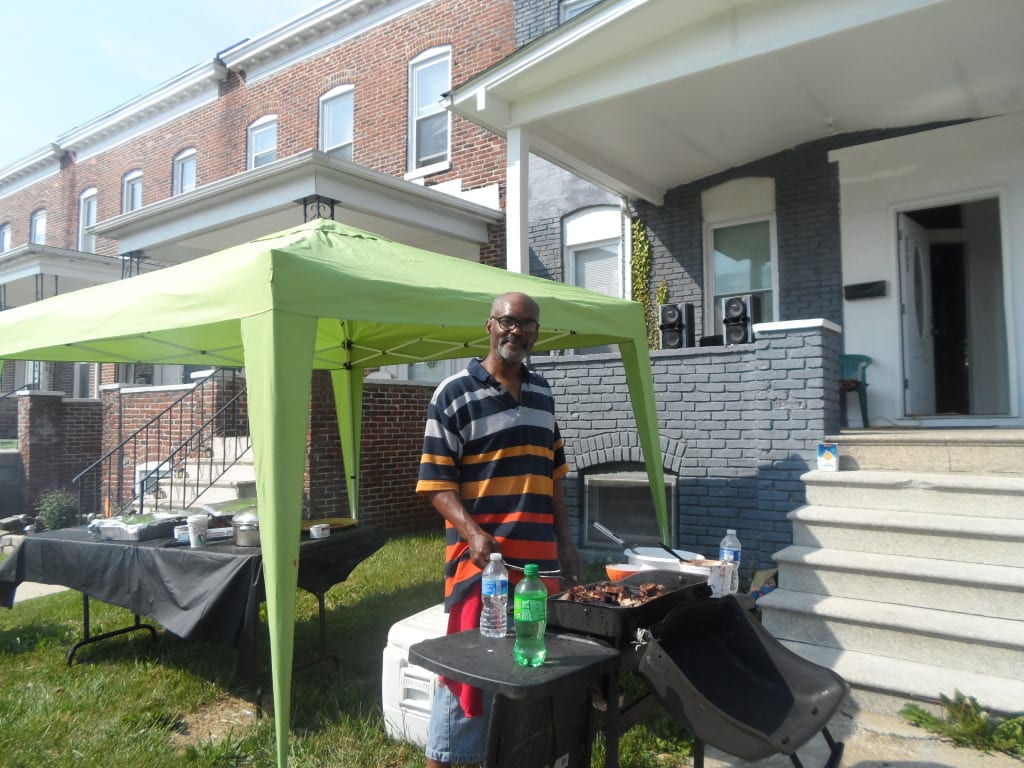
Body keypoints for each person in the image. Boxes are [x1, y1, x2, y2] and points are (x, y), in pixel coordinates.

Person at [416, 291, 583, 768]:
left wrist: (566, 544)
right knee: (465, 685)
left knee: (526, 678)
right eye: (509, 321)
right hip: (480, 569)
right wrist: (471, 532)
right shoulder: (452, 393)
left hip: (538, 569)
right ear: (489, 326)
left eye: (528, 324)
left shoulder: (543, 393)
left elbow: (553, 477)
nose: (518, 331)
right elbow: (435, 483)